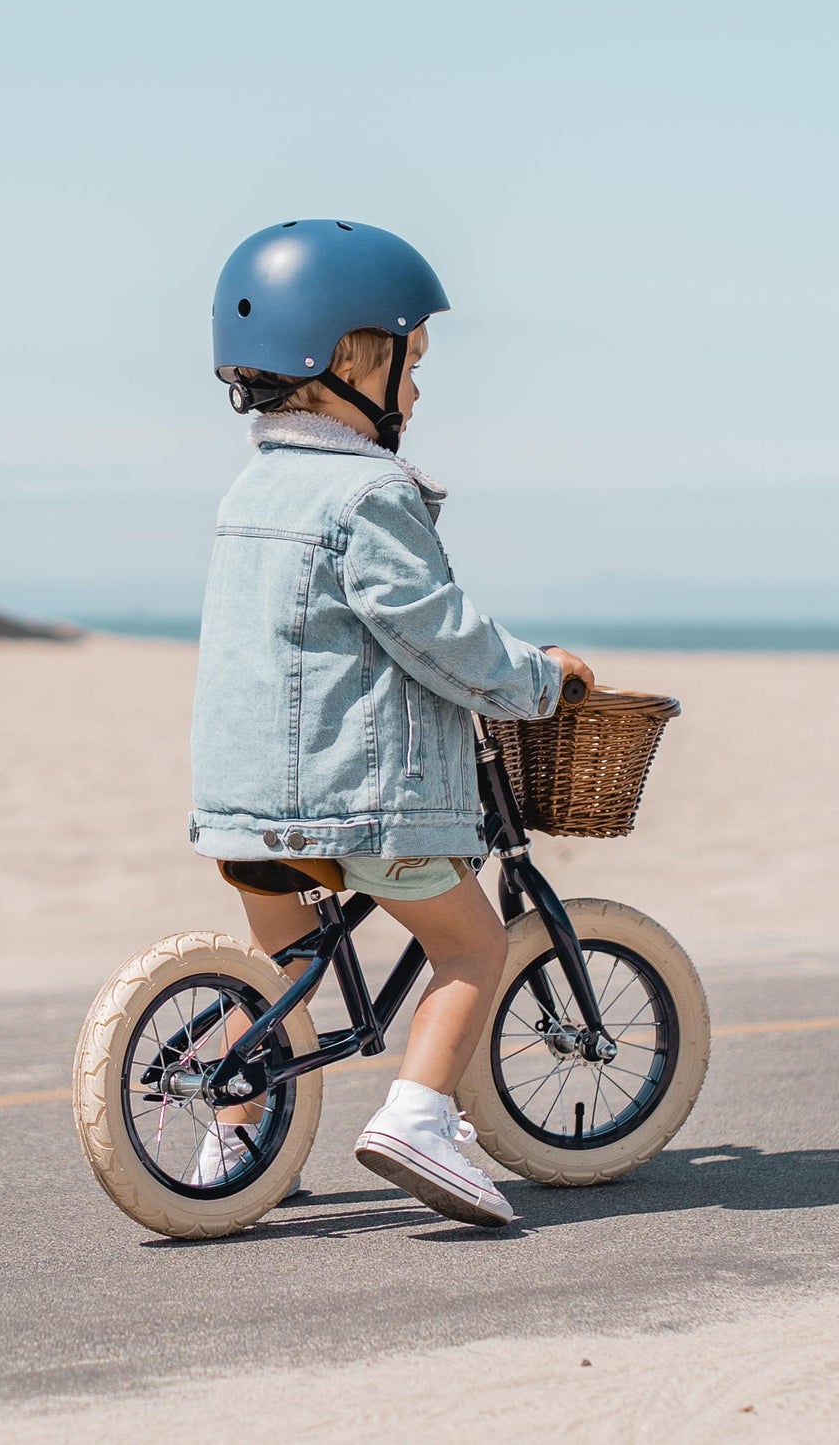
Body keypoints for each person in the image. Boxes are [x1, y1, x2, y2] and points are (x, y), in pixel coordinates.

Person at [187, 220, 593, 1226]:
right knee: (468, 945)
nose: (414, 390)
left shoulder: (249, 492)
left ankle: (231, 1129)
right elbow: (437, 633)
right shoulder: (368, 492)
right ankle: (417, 1114)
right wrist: (536, 679)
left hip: (241, 808)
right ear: (346, 360)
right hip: (362, 805)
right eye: (407, 364)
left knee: (282, 972)